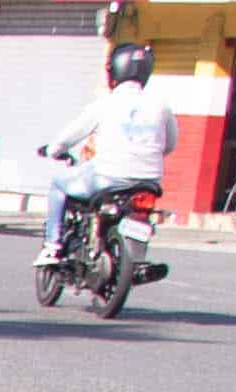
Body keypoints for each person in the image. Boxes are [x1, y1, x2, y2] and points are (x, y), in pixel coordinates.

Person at [43, 40, 175, 277]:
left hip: (106, 177)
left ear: (114, 71)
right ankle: (134, 261)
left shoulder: (105, 104)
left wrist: (53, 149)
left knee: (59, 184)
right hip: (149, 182)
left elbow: (70, 136)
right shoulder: (161, 106)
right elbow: (169, 145)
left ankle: (52, 246)